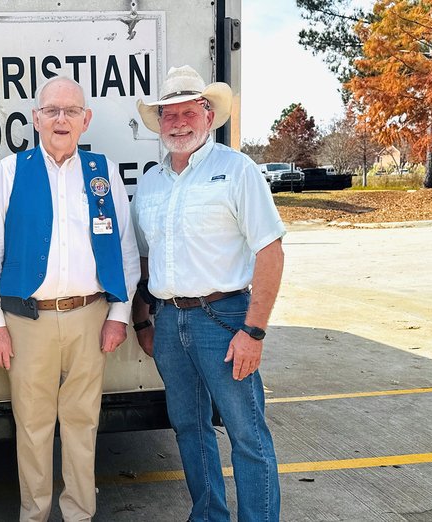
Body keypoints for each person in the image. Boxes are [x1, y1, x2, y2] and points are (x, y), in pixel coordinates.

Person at [0, 76, 140, 522]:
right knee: (31, 426)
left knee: (82, 422)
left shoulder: (103, 170)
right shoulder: (10, 170)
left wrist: (119, 315)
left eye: (71, 110)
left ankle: (79, 514)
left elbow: (125, 249)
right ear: (36, 118)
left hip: (91, 314)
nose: (61, 119)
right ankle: (34, 513)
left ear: (86, 119)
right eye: (52, 110)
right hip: (28, 321)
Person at [131, 65, 284, 521]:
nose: (178, 122)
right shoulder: (151, 183)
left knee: (247, 434)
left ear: (207, 113)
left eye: (187, 112)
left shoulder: (237, 170)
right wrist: (143, 319)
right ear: (159, 123)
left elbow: (270, 252)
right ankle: (209, 515)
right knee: (189, 428)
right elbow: (144, 260)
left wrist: (253, 331)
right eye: (168, 114)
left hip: (225, 319)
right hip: (169, 320)